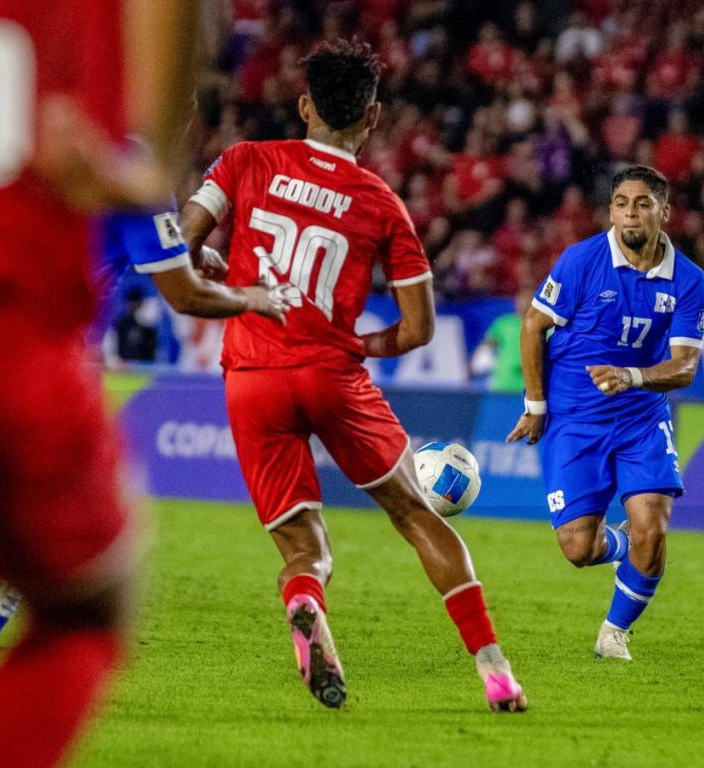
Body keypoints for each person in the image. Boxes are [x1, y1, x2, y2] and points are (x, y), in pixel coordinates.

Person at [0, 3, 287, 766]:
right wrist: (256, 297)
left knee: (21, 554)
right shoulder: (119, 148)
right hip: (9, 357)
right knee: (83, 593)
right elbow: (184, 291)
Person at [167, 38, 526, 712]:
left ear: (304, 105)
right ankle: (496, 671)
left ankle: (305, 599)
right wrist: (367, 343)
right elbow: (419, 329)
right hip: (333, 370)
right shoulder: (381, 202)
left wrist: (208, 264)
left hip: (251, 372)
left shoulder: (247, 160)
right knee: (417, 516)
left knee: (305, 548)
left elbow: (177, 242)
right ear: (373, 117)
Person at [506, 165, 704, 661]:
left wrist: (633, 378)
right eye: (621, 203)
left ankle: (614, 631)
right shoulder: (581, 261)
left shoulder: (688, 279)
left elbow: (684, 367)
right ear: (610, 211)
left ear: (665, 211)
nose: (630, 213)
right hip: (576, 420)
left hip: (642, 419)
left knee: (654, 527)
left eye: (642, 203)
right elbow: (533, 326)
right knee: (578, 549)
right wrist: (535, 406)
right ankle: (624, 547)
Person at [470, 288, 533, 392]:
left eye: (528, 300)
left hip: (530, 385)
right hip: (504, 383)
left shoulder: (543, 327)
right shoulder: (503, 323)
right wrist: (472, 367)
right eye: (520, 300)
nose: (523, 303)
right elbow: (486, 346)